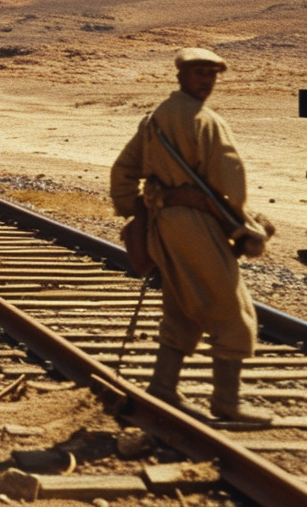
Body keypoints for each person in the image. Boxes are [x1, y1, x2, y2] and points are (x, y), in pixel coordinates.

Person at [110, 48, 275, 422]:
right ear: (181, 76)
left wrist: (140, 211)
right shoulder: (206, 121)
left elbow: (123, 172)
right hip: (198, 225)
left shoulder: (155, 119)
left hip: (164, 224)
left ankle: (164, 387)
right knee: (232, 310)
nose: (205, 80)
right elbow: (231, 188)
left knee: (183, 303)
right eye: (199, 72)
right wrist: (246, 228)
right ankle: (227, 401)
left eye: (211, 74)